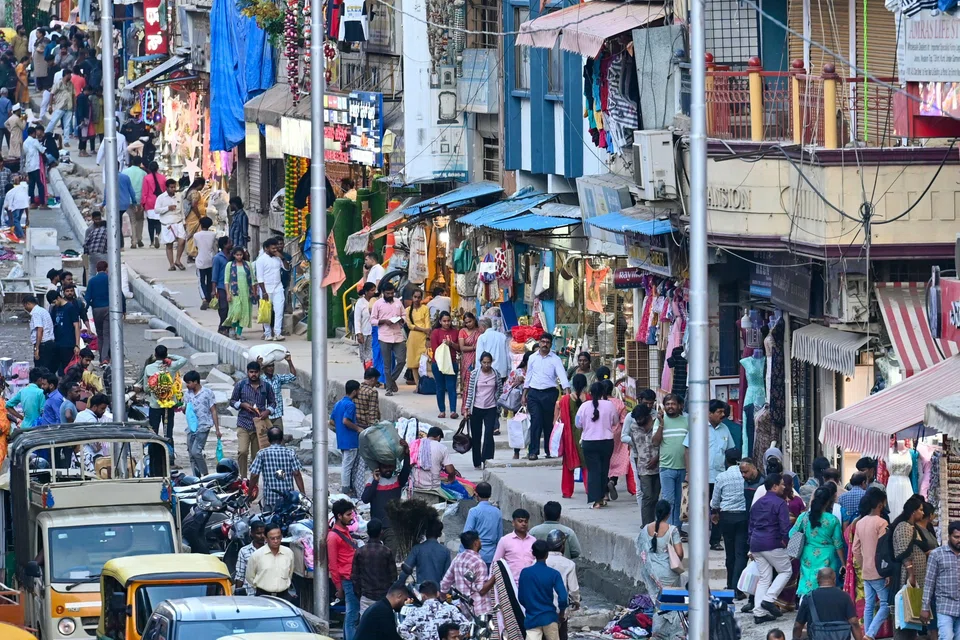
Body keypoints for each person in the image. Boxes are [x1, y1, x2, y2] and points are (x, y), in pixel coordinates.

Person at [685, 399, 733, 550]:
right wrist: (689, 472)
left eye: (722, 411)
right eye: (719, 412)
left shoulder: (725, 429)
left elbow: (730, 451)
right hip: (701, 477)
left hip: (719, 477)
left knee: (717, 509)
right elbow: (687, 449)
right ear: (709, 413)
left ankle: (715, 541)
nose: (722, 414)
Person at [635, 499, 685, 639]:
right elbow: (680, 553)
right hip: (669, 573)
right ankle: (675, 633)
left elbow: (640, 549)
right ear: (668, 514)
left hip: (652, 573)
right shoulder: (672, 530)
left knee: (658, 604)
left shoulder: (645, 529)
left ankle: (657, 633)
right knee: (674, 603)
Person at [750, 473, 793, 621]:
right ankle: (769, 599)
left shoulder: (757, 503)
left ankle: (759, 613)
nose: (784, 486)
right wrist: (787, 543)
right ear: (774, 486)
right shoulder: (780, 503)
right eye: (781, 484)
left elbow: (751, 525)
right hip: (772, 543)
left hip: (756, 543)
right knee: (786, 570)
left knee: (764, 578)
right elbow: (785, 527)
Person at [791, 485, 845, 600]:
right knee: (827, 584)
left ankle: (805, 607)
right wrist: (843, 562)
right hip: (828, 555)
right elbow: (838, 543)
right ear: (829, 501)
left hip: (808, 554)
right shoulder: (832, 520)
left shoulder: (804, 517)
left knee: (807, 582)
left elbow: (791, 533)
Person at [522, 333, 570, 461]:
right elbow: (529, 376)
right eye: (542, 342)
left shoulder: (555, 359)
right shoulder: (532, 358)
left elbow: (562, 375)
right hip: (534, 393)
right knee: (536, 421)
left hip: (549, 393)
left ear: (550, 344)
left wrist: (567, 393)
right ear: (539, 342)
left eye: (547, 342)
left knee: (548, 423)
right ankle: (533, 451)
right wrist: (524, 394)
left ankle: (549, 450)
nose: (544, 344)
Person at [851, 487, 889, 640]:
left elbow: (855, 549)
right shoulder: (882, 523)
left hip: (866, 570)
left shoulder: (860, 523)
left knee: (869, 605)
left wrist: (863, 564)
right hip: (879, 570)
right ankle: (870, 634)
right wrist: (886, 571)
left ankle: (866, 634)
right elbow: (884, 549)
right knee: (885, 604)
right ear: (880, 504)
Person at [361, 441, 411, 552]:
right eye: (385, 467)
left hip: (392, 527)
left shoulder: (397, 480)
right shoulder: (372, 481)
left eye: (390, 466)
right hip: (375, 527)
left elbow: (407, 469)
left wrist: (407, 454)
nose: (388, 469)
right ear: (379, 467)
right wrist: (375, 481)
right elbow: (365, 499)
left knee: (389, 556)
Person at [230, 360, 277, 477]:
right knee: (242, 451)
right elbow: (232, 401)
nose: (253, 375)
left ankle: (254, 480)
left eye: (256, 372)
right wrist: (242, 405)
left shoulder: (266, 386)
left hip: (259, 427)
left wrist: (267, 411)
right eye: (251, 372)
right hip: (243, 423)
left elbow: (273, 403)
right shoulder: (240, 385)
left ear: (259, 372)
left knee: (257, 455)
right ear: (247, 372)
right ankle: (243, 478)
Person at [576, 381, 618, 509]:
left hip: (589, 442)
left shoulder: (584, 406)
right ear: (603, 393)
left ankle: (596, 500)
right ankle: (602, 497)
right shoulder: (609, 405)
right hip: (606, 441)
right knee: (604, 470)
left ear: (590, 393)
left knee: (593, 471)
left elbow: (578, 424)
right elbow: (615, 421)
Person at [711, 449, 748, 594]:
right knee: (740, 553)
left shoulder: (721, 477)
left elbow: (715, 502)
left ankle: (730, 585)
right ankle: (738, 588)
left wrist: (714, 512)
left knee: (730, 553)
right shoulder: (745, 475)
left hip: (726, 517)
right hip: (742, 516)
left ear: (726, 461)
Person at [794, 568, 865, 640]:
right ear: (834, 579)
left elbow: (798, 626)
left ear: (817, 580)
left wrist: (795, 638)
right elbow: (854, 622)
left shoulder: (809, 598)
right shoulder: (844, 596)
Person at [141, 345, 187, 453]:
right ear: (165, 355)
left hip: (154, 404)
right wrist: (169, 357)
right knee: (168, 432)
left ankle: (153, 455)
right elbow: (183, 359)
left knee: (153, 431)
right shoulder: (171, 366)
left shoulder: (149, 368)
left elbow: (146, 387)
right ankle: (170, 458)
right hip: (169, 405)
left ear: (155, 355)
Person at [518, 540, 568, 640]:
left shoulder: (525, 573)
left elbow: (521, 598)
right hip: (549, 617)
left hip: (532, 618)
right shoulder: (554, 574)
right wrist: (561, 614)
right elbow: (563, 598)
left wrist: (532, 607)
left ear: (533, 554)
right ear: (547, 554)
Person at [249, 426, 305, 512]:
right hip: (287, 498)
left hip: (270, 499)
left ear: (268, 439)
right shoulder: (290, 452)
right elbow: (296, 473)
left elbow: (254, 474)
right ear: (282, 439)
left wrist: (250, 493)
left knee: (270, 523)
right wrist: (303, 494)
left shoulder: (262, 453)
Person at [654, 393, 689, 528]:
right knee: (669, 500)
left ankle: (676, 529)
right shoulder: (659, 421)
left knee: (680, 501)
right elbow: (655, 442)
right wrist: (662, 424)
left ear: (679, 406)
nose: (670, 406)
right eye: (667, 404)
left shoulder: (686, 421)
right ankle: (666, 528)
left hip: (683, 468)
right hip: (666, 467)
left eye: (673, 404)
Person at [921, 520, 960, 640]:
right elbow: (929, 582)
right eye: (956, 537)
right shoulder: (937, 554)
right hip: (945, 605)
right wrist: (925, 607)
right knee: (946, 637)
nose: (959, 540)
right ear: (948, 536)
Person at [328, 499, 361, 640]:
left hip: (352, 577)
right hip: (347, 579)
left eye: (352, 514)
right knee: (352, 615)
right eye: (348, 514)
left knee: (352, 615)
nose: (352, 517)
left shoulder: (345, 532)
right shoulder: (333, 537)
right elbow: (333, 566)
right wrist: (338, 587)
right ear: (339, 516)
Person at [351, 518, 398, 612]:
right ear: (381, 532)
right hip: (384, 597)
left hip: (366, 597)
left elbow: (355, 577)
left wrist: (360, 594)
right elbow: (393, 577)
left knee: (366, 624)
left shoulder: (360, 552)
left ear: (368, 532)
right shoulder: (387, 551)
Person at [624, 401, 660, 523]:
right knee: (647, 496)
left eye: (641, 418)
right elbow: (634, 449)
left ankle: (655, 522)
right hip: (643, 467)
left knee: (655, 497)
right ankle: (646, 525)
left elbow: (663, 444)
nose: (638, 421)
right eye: (636, 419)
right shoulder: (634, 426)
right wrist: (637, 468)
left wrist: (657, 458)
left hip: (659, 465)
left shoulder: (657, 423)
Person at [464, 351, 501, 470]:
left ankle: (487, 459)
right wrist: (467, 407)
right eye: (484, 362)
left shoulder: (496, 374)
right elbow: (470, 391)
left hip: (491, 407)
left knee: (489, 434)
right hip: (476, 408)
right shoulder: (475, 374)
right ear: (480, 362)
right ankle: (477, 462)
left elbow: (499, 389)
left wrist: (498, 403)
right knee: (476, 435)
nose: (486, 365)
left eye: (488, 363)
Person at [442, 531, 492, 618]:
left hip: (465, 609)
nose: (481, 542)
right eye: (479, 539)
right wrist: (495, 576)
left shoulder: (458, 559)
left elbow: (446, 582)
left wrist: (442, 597)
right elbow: (482, 590)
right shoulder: (479, 562)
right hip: (480, 609)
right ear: (476, 543)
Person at [398, 580, 468, 640]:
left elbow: (401, 629)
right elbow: (466, 624)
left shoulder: (415, 612)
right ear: (437, 594)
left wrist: (414, 638)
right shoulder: (450, 609)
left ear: (422, 596)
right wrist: (457, 636)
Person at [369, 282, 406, 395]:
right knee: (387, 364)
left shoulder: (398, 302)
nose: (390, 295)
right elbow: (372, 320)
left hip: (398, 336)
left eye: (392, 293)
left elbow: (404, 315)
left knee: (401, 360)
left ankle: (390, 381)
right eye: (388, 293)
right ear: (383, 293)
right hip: (384, 336)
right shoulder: (378, 304)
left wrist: (401, 320)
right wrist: (384, 321)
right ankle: (389, 389)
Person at [182, 370, 221, 476]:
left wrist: (217, 429)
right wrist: (184, 409)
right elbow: (186, 410)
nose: (187, 385)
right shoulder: (187, 394)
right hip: (191, 427)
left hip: (203, 425)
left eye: (189, 382)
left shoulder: (207, 393)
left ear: (196, 382)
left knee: (196, 451)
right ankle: (196, 477)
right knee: (191, 453)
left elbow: (213, 410)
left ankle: (205, 474)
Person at [557, 373, 589, 500]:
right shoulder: (589, 398)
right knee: (587, 465)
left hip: (570, 436)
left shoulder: (565, 400)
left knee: (567, 465)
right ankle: (589, 489)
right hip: (586, 435)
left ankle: (567, 491)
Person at [544, 530, 580, 640]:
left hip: (540, 610)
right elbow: (573, 590)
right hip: (560, 611)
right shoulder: (569, 564)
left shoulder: (539, 562)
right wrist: (576, 602)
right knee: (561, 635)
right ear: (562, 546)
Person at [891, 495, 928, 603]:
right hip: (909, 575)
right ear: (913, 512)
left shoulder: (913, 527)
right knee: (909, 605)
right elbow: (904, 553)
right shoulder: (904, 526)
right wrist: (911, 574)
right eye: (920, 510)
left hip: (918, 575)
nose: (923, 513)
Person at [246, 523, 294, 600]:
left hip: (283, 596)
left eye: (278, 538)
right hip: (263, 596)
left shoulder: (288, 553)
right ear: (266, 538)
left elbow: (290, 573)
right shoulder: (257, 555)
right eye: (272, 538)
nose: (276, 541)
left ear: (281, 537)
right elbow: (250, 577)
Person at [411, 426, 459, 503]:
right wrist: (451, 478)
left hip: (415, 485)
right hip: (433, 487)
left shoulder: (415, 444)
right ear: (438, 437)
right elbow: (450, 471)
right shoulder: (441, 447)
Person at [461, 481, 502, 566]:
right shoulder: (497, 512)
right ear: (490, 495)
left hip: (475, 556)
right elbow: (499, 537)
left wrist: (461, 554)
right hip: (491, 556)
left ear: (476, 494)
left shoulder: (474, 511)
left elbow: (466, 534)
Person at [491, 509, 536, 584]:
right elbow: (496, 564)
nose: (523, 524)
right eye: (520, 521)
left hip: (531, 583)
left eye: (526, 521)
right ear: (513, 523)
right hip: (511, 584)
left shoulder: (533, 541)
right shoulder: (505, 540)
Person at [333, 380, 362, 498]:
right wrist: (358, 428)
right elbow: (346, 421)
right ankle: (346, 489)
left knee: (346, 463)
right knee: (347, 465)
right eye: (358, 390)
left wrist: (340, 429)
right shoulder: (350, 405)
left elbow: (332, 420)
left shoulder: (338, 403)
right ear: (355, 391)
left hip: (342, 439)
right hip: (350, 440)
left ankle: (348, 487)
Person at [401, 519, 452, 586]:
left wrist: (399, 584)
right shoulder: (446, 551)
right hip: (437, 591)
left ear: (426, 533)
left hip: (421, 591)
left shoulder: (417, 549)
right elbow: (447, 576)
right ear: (439, 534)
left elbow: (406, 569)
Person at [429, 311, 460, 419]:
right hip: (438, 363)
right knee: (440, 387)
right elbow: (434, 349)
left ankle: (453, 410)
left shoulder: (455, 332)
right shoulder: (435, 333)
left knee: (451, 387)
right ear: (440, 321)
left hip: (451, 363)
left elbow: (459, 348)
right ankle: (442, 410)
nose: (446, 323)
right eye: (444, 321)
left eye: (448, 321)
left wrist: (451, 344)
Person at [255, 237, 286, 341]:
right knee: (266, 311)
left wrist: (282, 258)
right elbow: (260, 278)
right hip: (266, 289)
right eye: (273, 248)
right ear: (266, 248)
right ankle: (268, 333)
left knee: (279, 310)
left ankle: (278, 333)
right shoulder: (261, 260)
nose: (275, 250)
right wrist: (263, 292)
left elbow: (287, 268)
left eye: (276, 248)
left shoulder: (278, 258)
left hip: (278, 287)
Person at [503, 351, 531, 459]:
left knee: (531, 428)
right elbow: (507, 387)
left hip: (533, 402)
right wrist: (518, 382)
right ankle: (516, 451)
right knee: (518, 427)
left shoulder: (536, 372)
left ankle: (530, 450)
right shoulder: (517, 372)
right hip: (518, 404)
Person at [225, 246, 256, 339]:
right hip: (234, 292)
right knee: (236, 312)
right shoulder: (230, 265)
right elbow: (226, 281)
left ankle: (239, 333)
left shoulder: (247, 265)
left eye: (241, 255)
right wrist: (228, 293)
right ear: (234, 255)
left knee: (244, 313)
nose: (239, 257)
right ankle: (232, 330)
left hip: (246, 292)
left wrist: (254, 292)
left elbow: (253, 280)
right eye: (237, 255)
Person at [46, 289, 79, 374]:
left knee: (67, 368)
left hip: (68, 343)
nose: (54, 304)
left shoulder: (70, 307)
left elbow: (76, 326)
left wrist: (77, 345)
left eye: (54, 301)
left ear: (58, 298)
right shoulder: (54, 309)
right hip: (57, 343)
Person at [155, 178, 185, 271]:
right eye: (171, 187)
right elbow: (156, 210)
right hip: (167, 223)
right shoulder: (161, 197)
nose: (173, 189)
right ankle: (171, 264)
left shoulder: (179, 196)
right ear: (167, 188)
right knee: (169, 245)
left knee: (182, 240)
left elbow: (182, 210)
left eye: (174, 187)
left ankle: (178, 260)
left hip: (178, 221)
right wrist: (168, 208)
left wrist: (184, 222)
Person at [84, 261, 111, 363]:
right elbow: (119, 294)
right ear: (106, 269)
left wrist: (84, 311)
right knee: (107, 335)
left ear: (97, 269)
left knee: (100, 335)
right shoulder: (110, 279)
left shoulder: (92, 281)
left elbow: (87, 297)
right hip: (108, 309)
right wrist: (123, 309)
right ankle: (105, 358)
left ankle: (101, 358)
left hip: (96, 310)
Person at [259, 353, 296, 427]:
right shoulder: (260, 379)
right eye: (269, 366)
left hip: (277, 415)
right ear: (264, 368)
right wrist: (259, 364)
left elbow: (293, 376)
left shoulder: (277, 378)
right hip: (265, 415)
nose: (271, 368)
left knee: (279, 436)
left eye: (272, 366)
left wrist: (289, 361)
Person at [234, 518, 266, 592]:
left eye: (264, 533)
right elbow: (240, 575)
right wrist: (238, 594)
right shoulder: (244, 551)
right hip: (249, 593)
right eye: (258, 533)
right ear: (252, 534)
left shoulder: (270, 550)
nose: (262, 536)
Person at [24, 295, 56, 371]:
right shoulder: (42, 310)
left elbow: (40, 330)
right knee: (47, 369)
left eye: (24, 306)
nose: (25, 308)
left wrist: (37, 348)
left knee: (40, 370)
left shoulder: (36, 313)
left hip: (43, 345)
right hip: (49, 343)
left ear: (28, 304)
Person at [121, 155, 146, 247]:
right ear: (140, 163)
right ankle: (139, 238)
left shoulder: (125, 172)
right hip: (140, 199)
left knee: (132, 220)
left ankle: (134, 241)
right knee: (140, 219)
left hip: (128, 199)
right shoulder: (143, 173)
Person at [192, 217, 217, 310]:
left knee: (201, 280)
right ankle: (210, 298)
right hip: (211, 260)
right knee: (210, 280)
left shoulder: (196, 235)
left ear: (201, 224)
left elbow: (196, 247)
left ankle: (204, 299)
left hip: (200, 261)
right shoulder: (213, 234)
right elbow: (215, 247)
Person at [141, 161, 166, 248]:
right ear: (157, 168)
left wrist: (143, 203)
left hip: (150, 202)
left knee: (150, 222)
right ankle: (157, 234)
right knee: (159, 221)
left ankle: (151, 241)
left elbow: (144, 192)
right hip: (160, 202)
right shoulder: (163, 178)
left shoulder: (147, 178)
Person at [211, 236, 233, 335]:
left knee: (231, 308)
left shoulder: (232, 256)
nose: (231, 244)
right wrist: (213, 289)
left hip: (232, 286)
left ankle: (228, 327)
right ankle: (222, 326)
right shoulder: (217, 258)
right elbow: (214, 274)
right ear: (224, 245)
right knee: (223, 307)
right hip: (221, 286)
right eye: (229, 243)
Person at [45, 69, 74, 145]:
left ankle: (66, 141)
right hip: (60, 107)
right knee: (53, 122)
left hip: (69, 107)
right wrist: (50, 106)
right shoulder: (58, 84)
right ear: (66, 75)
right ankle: (46, 135)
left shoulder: (71, 84)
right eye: (69, 75)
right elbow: (51, 94)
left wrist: (74, 105)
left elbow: (73, 95)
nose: (70, 76)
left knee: (67, 125)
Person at [354, 282, 376, 366]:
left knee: (372, 355)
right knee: (365, 357)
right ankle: (368, 374)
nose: (374, 292)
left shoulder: (375, 301)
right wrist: (358, 333)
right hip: (364, 333)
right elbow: (357, 319)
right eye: (372, 290)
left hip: (373, 332)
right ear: (366, 292)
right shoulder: (360, 303)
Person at [23, 126, 45, 207]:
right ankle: (42, 203)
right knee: (40, 184)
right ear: (33, 133)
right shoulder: (34, 141)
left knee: (31, 185)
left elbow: (24, 154)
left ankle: (32, 202)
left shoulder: (25, 143)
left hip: (28, 167)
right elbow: (42, 150)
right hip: (35, 166)